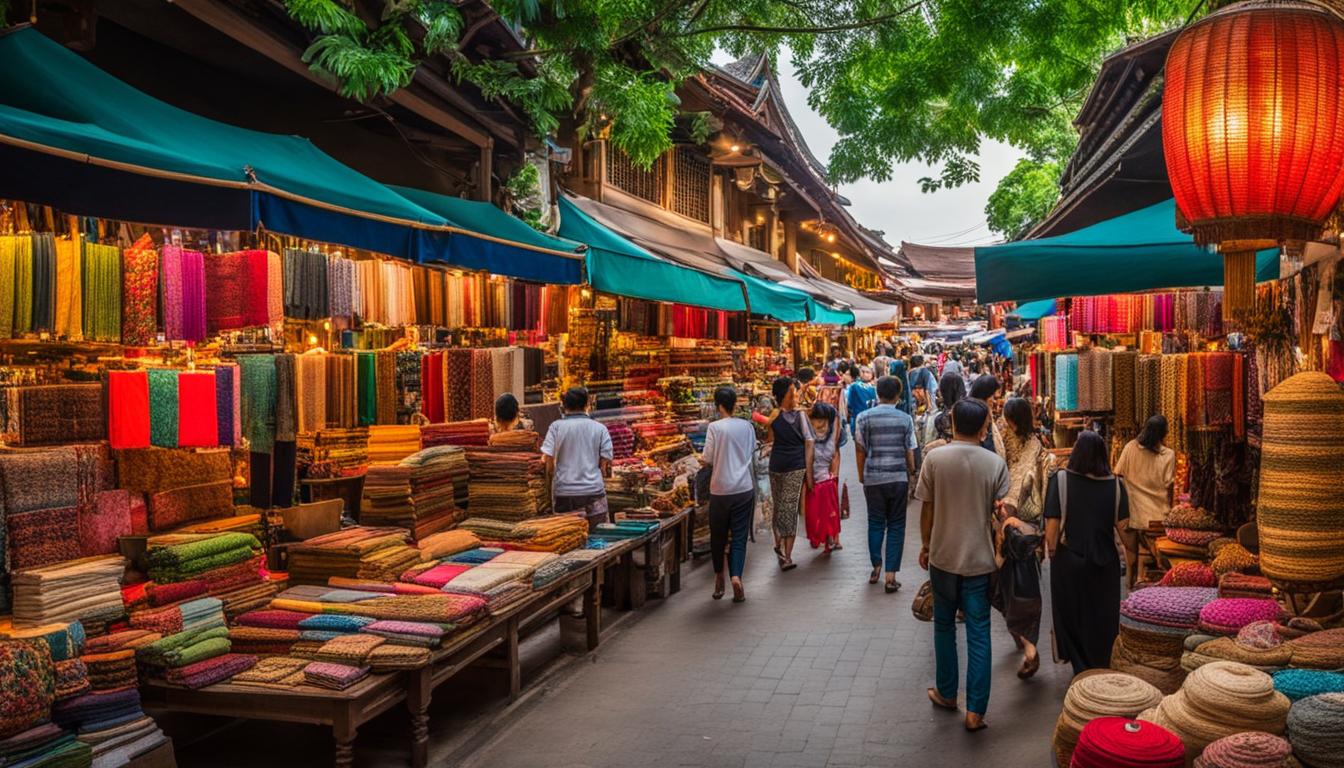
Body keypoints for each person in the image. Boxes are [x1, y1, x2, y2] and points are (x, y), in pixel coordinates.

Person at [916, 399, 1010, 732]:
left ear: (953, 423)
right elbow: (1002, 507)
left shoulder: (935, 459)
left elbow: (926, 508)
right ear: (984, 427)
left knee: (943, 625)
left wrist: (926, 544)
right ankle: (975, 712)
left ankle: (946, 692)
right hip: (980, 560)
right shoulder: (994, 463)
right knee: (979, 632)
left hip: (943, 556)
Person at [1045, 430, 1129, 675]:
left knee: (1072, 614)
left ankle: (1080, 668)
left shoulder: (1060, 479)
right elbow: (1126, 533)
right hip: (1105, 564)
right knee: (1101, 617)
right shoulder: (1116, 484)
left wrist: (1052, 551)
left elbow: (1052, 526)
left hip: (1069, 560)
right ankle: (1099, 665)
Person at [995, 397, 1054, 680]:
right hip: (1024, 524)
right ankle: (1022, 637)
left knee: (1016, 584)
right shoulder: (1032, 441)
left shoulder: (1025, 444)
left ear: (1013, 419)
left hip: (1015, 523)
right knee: (1016, 583)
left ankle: (1028, 645)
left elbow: (1020, 483)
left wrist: (1006, 513)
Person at [855, 375, 917, 593]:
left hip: (873, 477)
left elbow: (860, 448)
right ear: (898, 395)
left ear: (877, 393)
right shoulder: (905, 419)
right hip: (898, 478)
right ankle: (891, 575)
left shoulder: (863, 418)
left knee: (875, 522)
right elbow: (910, 451)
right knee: (897, 525)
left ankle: (876, 566)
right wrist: (911, 471)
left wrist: (862, 474)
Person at [700, 386, 756, 603]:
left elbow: (708, 458)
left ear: (718, 405)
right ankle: (736, 577)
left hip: (720, 490)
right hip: (743, 488)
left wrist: (701, 460)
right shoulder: (747, 426)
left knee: (718, 536)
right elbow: (751, 451)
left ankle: (719, 577)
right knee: (739, 537)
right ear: (735, 404)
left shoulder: (715, 428)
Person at [1113, 415, 1175, 587]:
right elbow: (1169, 485)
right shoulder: (1168, 455)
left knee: (1132, 553)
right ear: (1164, 433)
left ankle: (1131, 586)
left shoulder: (1131, 447)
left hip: (1132, 514)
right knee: (1155, 557)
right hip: (1157, 516)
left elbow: (1118, 475)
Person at [541, 387, 614, 531]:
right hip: (594, 492)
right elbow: (605, 465)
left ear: (564, 406)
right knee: (598, 535)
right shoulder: (600, 428)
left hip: (565, 494)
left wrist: (551, 484)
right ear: (587, 404)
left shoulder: (556, 427)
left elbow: (548, 462)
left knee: (569, 538)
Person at [765, 376, 814, 571]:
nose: (795, 394)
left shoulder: (798, 415)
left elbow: (809, 442)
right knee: (780, 508)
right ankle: (780, 547)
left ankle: (786, 553)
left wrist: (808, 471)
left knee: (788, 508)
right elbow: (770, 440)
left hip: (794, 466)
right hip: (778, 466)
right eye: (792, 391)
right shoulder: (775, 416)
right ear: (784, 394)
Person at [805, 402, 843, 553]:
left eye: (824, 421)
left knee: (826, 514)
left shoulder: (828, 439)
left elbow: (837, 419)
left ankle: (828, 538)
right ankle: (823, 537)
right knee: (817, 515)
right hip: (817, 483)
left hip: (825, 483)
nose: (821, 425)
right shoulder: (809, 438)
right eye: (817, 421)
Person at [969, 374, 1006, 458]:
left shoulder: (984, 413)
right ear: (984, 395)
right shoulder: (981, 417)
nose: (994, 401)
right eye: (992, 396)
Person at [845, 365, 876, 434]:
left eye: (867, 372)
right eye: (863, 372)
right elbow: (849, 404)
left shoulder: (875, 388)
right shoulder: (854, 386)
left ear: (872, 374)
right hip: (858, 419)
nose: (865, 374)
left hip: (869, 420)